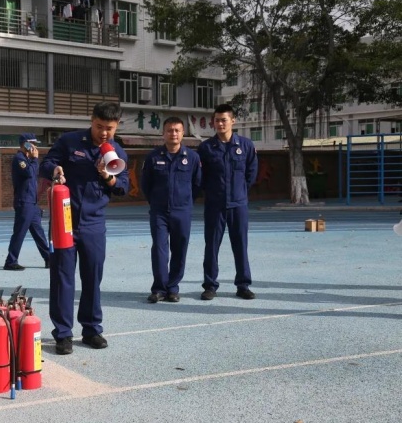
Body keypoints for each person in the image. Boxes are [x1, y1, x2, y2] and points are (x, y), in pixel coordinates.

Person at [40, 102, 129, 355]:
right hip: (65, 221)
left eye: (109, 128)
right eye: (99, 126)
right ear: (91, 120)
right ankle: (63, 334)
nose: (104, 133)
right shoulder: (70, 141)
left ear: (116, 126)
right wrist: (55, 169)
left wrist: (107, 176)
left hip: (94, 223)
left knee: (92, 278)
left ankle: (91, 330)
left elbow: (122, 187)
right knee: (62, 278)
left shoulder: (117, 152)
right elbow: (46, 163)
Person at [197, 104, 258, 301]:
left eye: (224, 120)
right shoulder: (206, 148)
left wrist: (240, 192)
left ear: (233, 121)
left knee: (240, 245)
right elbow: (201, 177)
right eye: (217, 120)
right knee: (211, 246)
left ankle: (243, 285)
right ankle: (210, 286)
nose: (220, 124)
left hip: (238, 205)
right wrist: (213, 193)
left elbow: (251, 173)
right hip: (214, 206)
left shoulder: (245, 145)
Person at [141, 117, 201, 303]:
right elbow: (146, 184)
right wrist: (155, 202)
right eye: (169, 130)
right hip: (159, 211)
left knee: (179, 249)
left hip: (182, 211)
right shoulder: (153, 157)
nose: (173, 134)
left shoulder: (192, 158)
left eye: (177, 130)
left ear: (183, 133)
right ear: (163, 133)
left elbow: (197, 184)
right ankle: (159, 289)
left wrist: (185, 202)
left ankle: (173, 288)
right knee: (159, 249)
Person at [3, 133, 50, 271]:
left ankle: (49, 258)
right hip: (24, 202)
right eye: (32, 143)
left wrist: (33, 160)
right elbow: (29, 173)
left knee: (38, 232)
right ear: (26, 144)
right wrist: (35, 159)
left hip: (32, 202)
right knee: (19, 232)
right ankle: (11, 261)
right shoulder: (19, 159)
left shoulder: (28, 159)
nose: (35, 146)